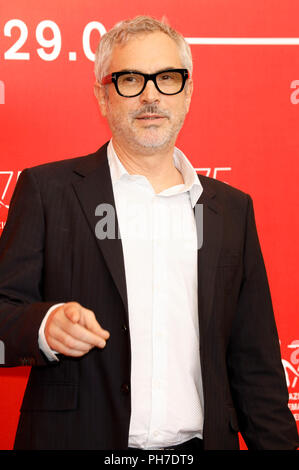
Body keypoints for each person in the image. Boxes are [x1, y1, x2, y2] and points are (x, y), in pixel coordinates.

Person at [0, 15, 298, 452]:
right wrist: (44, 326)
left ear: (189, 91)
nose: (151, 95)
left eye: (167, 78)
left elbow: (255, 362)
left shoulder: (230, 209)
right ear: (103, 96)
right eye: (130, 80)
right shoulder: (48, 190)